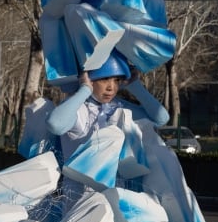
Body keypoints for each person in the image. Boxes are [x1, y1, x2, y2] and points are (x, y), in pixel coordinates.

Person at [46, 54, 169, 205]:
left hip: (116, 199)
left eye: (117, 80)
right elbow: (55, 124)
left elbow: (161, 118)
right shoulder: (78, 109)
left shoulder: (118, 107)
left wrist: (134, 85)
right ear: (89, 78)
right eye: (104, 79)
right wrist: (84, 89)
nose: (111, 87)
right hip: (80, 202)